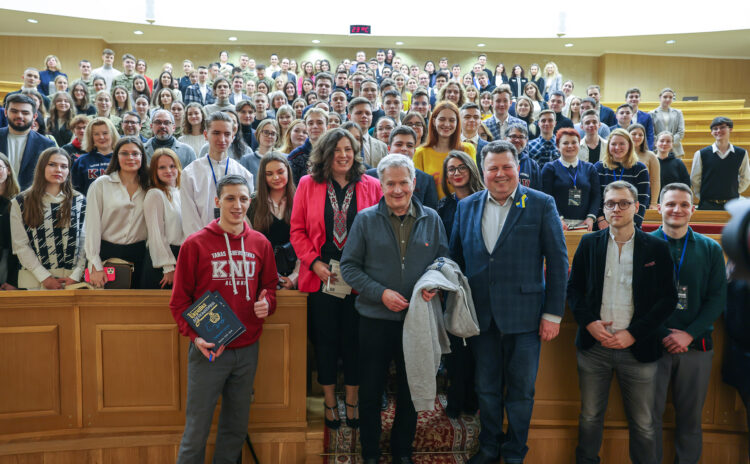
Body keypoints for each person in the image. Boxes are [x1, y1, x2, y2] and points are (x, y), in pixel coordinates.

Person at [451, 140, 568, 464]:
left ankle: (515, 452)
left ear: (518, 169)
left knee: (521, 393)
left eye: (506, 167)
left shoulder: (541, 204)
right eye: (493, 168)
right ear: (483, 171)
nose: (500, 174)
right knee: (486, 390)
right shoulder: (467, 206)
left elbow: (558, 263)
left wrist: (553, 315)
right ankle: (489, 449)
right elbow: (455, 259)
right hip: (480, 317)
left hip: (526, 318)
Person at [340, 154, 448, 464]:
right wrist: (380, 293)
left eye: (403, 182)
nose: (397, 189)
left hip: (416, 321)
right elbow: (349, 267)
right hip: (374, 320)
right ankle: (371, 453)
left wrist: (433, 283)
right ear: (381, 185)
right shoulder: (365, 219)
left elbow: (443, 261)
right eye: (391, 183)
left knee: (410, 391)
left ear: (414, 183)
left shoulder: (432, 218)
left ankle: (403, 452)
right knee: (371, 392)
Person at [567, 180, 677, 464]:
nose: (617, 208)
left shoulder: (656, 247)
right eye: (610, 203)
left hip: (638, 350)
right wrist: (589, 322)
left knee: (643, 423)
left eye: (624, 203)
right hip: (595, 348)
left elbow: (667, 299)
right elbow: (574, 290)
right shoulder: (589, 243)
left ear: (636, 207)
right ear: (603, 208)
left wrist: (634, 334)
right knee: (590, 417)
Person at [169, 174, 277, 464]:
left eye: (243, 198)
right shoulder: (195, 244)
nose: (237, 205)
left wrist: (267, 304)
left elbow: (269, 289)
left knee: (235, 429)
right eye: (230, 198)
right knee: (196, 431)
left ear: (250, 201)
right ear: (217, 202)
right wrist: (195, 337)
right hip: (209, 351)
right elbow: (179, 303)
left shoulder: (260, 243)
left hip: (247, 348)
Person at [290, 128, 382, 433]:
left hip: (359, 279)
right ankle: (330, 402)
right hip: (321, 277)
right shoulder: (307, 184)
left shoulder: (372, 185)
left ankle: (352, 400)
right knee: (326, 343)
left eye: (349, 149)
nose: (343, 155)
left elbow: (379, 231)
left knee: (356, 342)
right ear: (325, 154)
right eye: (337, 149)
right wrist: (313, 263)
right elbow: (298, 231)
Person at [650, 182, 727, 463]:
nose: (677, 209)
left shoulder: (710, 249)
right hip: (652, 347)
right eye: (670, 204)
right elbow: (634, 297)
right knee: (648, 423)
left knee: (690, 423)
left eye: (684, 204)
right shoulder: (643, 245)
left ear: (693, 210)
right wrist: (661, 333)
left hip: (696, 346)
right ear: (659, 208)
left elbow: (717, 298)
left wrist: (688, 334)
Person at [437, 149, 483, 418]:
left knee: (479, 346)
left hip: (480, 280)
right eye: (451, 169)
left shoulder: (485, 200)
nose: (456, 173)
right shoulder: (444, 206)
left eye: (460, 167)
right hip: (454, 282)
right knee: (456, 344)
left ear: (471, 169)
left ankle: (473, 399)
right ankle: (455, 398)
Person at [10, 147, 86, 289]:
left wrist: (76, 275)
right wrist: (44, 277)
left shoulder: (80, 200)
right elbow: (20, 245)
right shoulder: (20, 202)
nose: (58, 170)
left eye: (64, 166)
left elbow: (85, 242)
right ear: (41, 167)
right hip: (34, 279)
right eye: (52, 164)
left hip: (71, 279)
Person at [84, 136, 150, 289]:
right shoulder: (101, 184)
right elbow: (92, 227)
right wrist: (95, 263)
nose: (130, 158)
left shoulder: (150, 186)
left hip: (140, 255)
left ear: (142, 157)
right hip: (107, 254)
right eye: (124, 153)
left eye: (135, 153)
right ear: (116, 156)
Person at [181, 112, 254, 238]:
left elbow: (244, 215)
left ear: (233, 137)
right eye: (216, 133)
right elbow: (189, 219)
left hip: (234, 241)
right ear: (205, 135)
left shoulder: (243, 174)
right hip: (202, 244)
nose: (222, 139)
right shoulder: (190, 174)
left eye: (227, 134)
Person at [247, 152, 298, 290]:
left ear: (288, 171)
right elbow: (248, 245)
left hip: (292, 275)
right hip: (260, 276)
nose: (275, 177)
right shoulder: (252, 203)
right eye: (269, 174)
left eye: (280, 172)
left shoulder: (300, 200)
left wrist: (294, 277)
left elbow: (306, 243)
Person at [364, 126, 439, 210]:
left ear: (414, 151)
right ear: (389, 148)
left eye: (409, 146)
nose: (404, 149)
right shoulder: (370, 176)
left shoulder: (426, 180)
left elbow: (429, 215)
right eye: (399, 144)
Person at [413, 101, 476, 200]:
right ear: (434, 121)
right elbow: (419, 191)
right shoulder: (420, 153)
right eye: (442, 119)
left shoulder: (467, 149)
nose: (447, 124)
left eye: (451, 120)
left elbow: (473, 185)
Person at [542, 128, 600, 231]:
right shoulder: (549, 168)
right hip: (556, 222)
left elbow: (596, 196)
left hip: (584, 224)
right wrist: (558, 218)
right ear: (558, 147)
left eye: (574, 142)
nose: (570, 146)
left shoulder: (590, 168)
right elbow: (546, 196)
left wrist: (590, 218)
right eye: (565, 143)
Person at [142, 148, 184, 289]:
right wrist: (167, 267)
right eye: (162, 167)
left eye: (172, 166)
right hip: (163, 261)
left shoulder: (180, 192)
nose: (169, 170)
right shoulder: (155, 194)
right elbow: (156, 234)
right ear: (155, 171)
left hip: (180, 256)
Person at [594, 129, 650, 229]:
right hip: (602, 224)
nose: (617, 147)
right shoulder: (599, 167)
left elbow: (642, 199)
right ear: (608, 146)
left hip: (631, 223)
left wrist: (633, 223)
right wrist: (601, 219)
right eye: (613, 144)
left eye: (622, 144)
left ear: (629, 145)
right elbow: (595, 196)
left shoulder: (640, 169)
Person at [690, 116, 749, 210]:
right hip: (707, 204)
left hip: (732, 204)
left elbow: (745, 178)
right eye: (715, 129)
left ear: (730, 129)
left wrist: (734, 191)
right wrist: (703, 195)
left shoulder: (741, 153)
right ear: (711, 132)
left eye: (722, 127)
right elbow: (695, 179)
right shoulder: (701, 153)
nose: (718, 131)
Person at [1, 94, 56, 190]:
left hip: (30, 200)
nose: (19, 115)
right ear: (6, 112)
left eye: (25, 112)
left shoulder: (47, 145)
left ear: (34, 116)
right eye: (14, 111)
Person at [71, 117, 119, 195]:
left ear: (112, 134)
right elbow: (75, 191)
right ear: (91, 137)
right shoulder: (82, 161)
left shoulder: (122, 158)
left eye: (105, 133)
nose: (101, 137)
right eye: (96, 134)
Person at [288, 108, 328, 185]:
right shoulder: (295, 156)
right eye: (310, 123)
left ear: (327, 126)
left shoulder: (335, 152)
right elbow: (292, 187)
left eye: (320, 123)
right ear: (306, 127)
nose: (315, 126)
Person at [348, 97, 389, 168]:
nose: (364, 116)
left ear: (372, 117)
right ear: (349, 116)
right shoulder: (339, 143)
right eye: (359, 113)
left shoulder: (382, 147)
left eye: (367, 113)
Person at [0, 152, 21, 289]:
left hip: (10, 262)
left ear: (8, 170)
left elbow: (22, 245)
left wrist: (13, 280)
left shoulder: (20, 202)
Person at [628, 124, 660, 208]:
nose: (637, 137)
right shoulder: (621, 154)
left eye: (640, 135)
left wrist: (653, 203)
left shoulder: (651, 156)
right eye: (634, 134)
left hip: (643, 197)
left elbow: (655, 181)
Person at [504, 123, 542, 191]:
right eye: (513, 136)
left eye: (521, 137)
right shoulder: (497, 161)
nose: (517, 140)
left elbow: (538, 192)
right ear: (505, 139)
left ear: (526, 141)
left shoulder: (533, 165)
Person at [649, 87, 685, 157]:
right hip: (657, 150)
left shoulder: (678, 113)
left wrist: (669, 143)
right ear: (660, 97)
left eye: (670, 97)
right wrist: (661, 143)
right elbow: (651, 133)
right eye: (665, 97)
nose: (668, 99)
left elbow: (681, 132)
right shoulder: (651, 113)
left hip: (675, 150)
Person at [655, 132, 690, 201]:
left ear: (672, 145)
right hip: (652, 203)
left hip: (673, 201)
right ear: (656, 143)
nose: (664, 143)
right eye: (662, 141)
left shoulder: (678, 163)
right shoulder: (650, 161)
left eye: (668, 141)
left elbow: (686, 185)